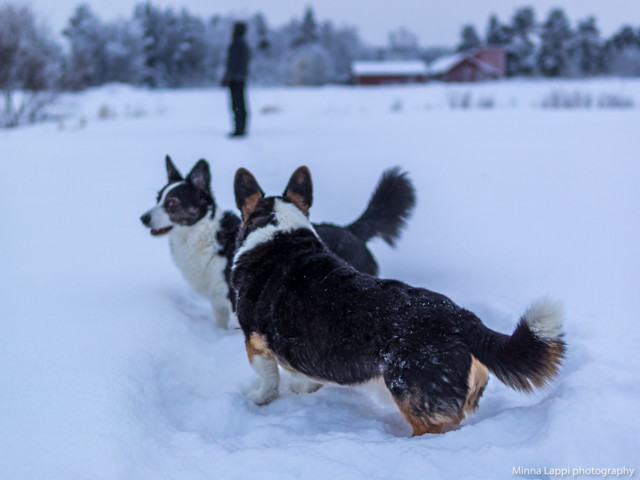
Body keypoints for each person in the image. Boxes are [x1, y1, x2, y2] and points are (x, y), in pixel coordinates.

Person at [222, 22, 251, 138]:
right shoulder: (244, 44)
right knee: (240, 103)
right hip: (241, 78)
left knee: (237, 104)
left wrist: (228, 76)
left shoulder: (236, 44)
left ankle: (239, 129)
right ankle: (241, 127)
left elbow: (232, 63)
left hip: (235, 79)